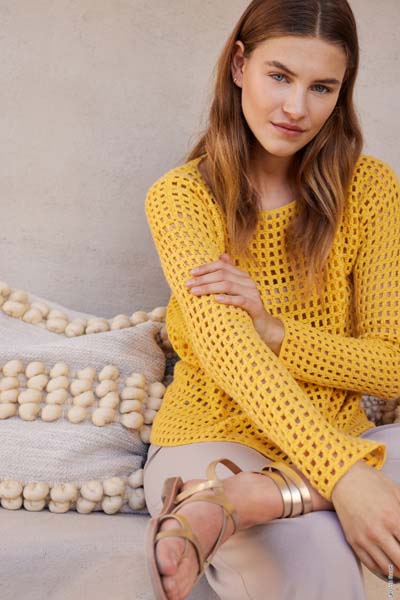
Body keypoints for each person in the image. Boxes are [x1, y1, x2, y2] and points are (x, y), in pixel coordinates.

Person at [143, 0, 400, 598]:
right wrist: (342, 477)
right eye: (279, 76)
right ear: (239, 65)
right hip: (213, 438)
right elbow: (233, 356)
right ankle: (249, 495)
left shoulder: (371, 189)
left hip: (342, 436)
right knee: (318, 549)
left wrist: (275, 330)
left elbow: (393, 363)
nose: (296, 108)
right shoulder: (183, 198)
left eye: (322, 87)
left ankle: (253, 496)